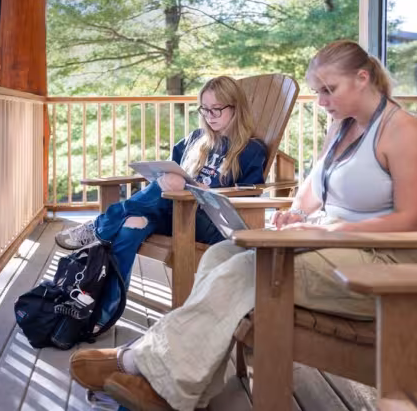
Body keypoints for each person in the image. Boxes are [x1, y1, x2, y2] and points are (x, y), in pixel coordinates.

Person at [67, 40, 417, 411]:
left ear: (363, 78)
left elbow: (412, 219)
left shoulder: (404, 132)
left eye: (330, 90)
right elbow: (311, 193)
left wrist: (327, 231)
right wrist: (294, 214)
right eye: (317, 92)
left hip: (380, 267)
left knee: (249, 270)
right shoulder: (342, 128)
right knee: (220, 254)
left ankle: (140, 365)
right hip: (331, 248)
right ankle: (178, 386)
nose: (322, 101)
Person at [56, 76, 268, 327]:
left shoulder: (251, 150)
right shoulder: (196, 139)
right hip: (174, 212)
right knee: (130, 224)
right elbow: (171, 171)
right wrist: (166, 178)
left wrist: (196, 189)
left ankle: (99, 226)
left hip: (207, 221)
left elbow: (249, 197)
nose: (210, 115)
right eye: (205, 109)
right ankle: (105, 312)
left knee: (167, 187)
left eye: (217, 109)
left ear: (236, 107)